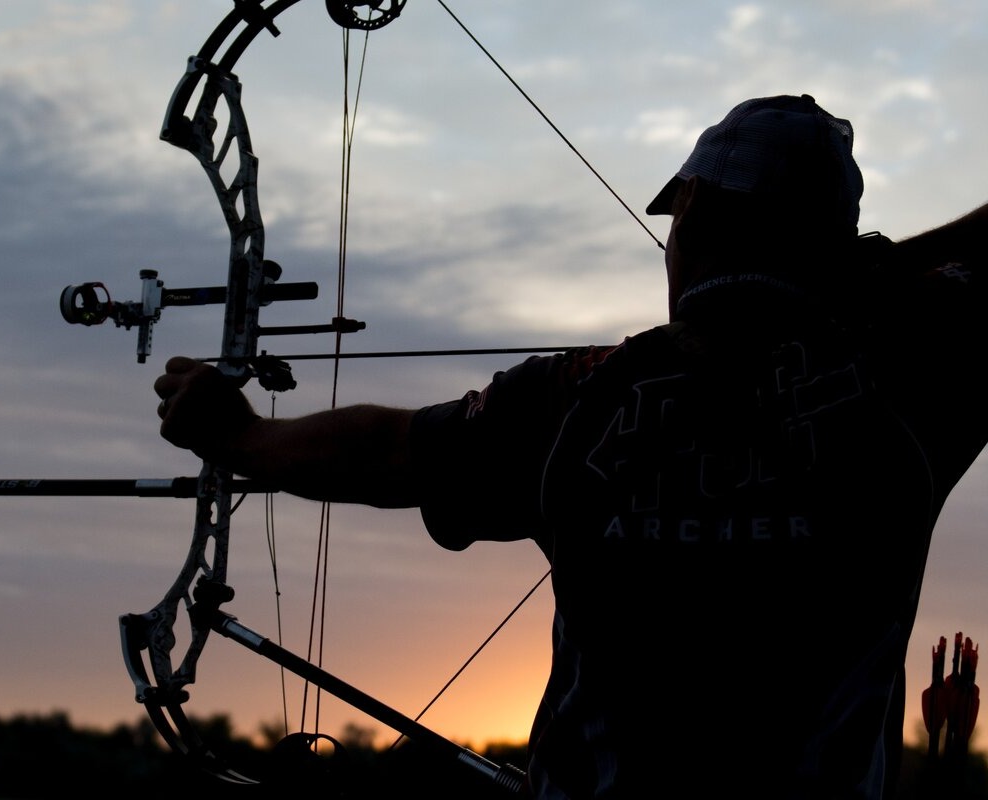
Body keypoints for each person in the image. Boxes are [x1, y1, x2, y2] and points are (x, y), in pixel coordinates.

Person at [154, 94, 988, 798]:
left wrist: (240, 434)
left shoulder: (579, 397)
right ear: (837, 242)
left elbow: (385, 452)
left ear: (689, 215)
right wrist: (862, 272)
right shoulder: (915, 375)